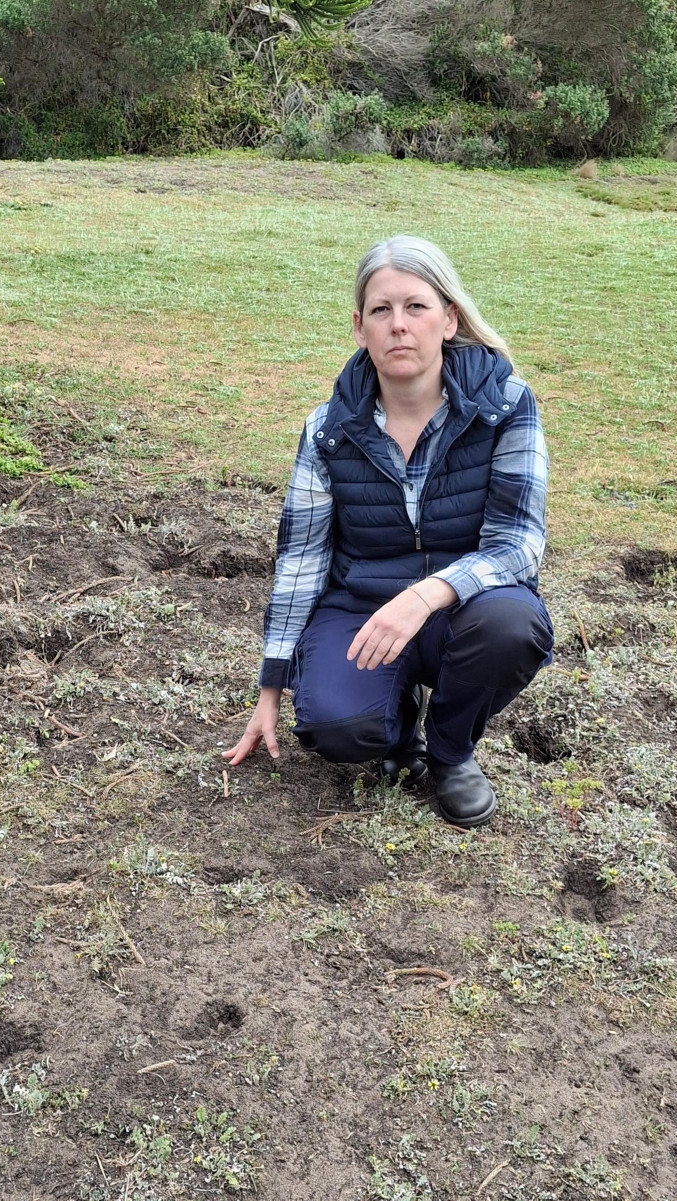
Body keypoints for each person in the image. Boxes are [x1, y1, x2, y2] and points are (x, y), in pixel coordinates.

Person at [221, 235, 553, 828]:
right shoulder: (326, 430)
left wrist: (427, 594)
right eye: (381, 310)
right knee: (335, 728)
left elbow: (518, 545)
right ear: (359, 328)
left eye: (416, 307)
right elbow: (300, 560)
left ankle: (450, 752)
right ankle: (394, 716)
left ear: (449, 319)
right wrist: (271, 686)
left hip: (466, 606)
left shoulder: (507, 405)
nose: (399, 325)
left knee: (514, 626)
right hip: (364, 610)